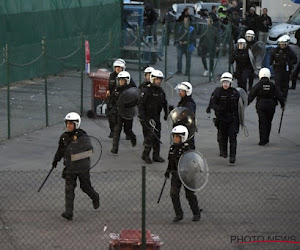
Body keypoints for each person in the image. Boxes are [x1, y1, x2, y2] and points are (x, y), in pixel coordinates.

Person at [52, 112, 100, 220]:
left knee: (85, 187)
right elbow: (60, 150)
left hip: (82, 168)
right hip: (70, 168)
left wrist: (75, 157)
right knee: (69, 189)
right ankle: (69, 212)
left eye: (71, 123)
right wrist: (55, 160)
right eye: (67, 123)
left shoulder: (83, 136)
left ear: (76, 124)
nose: (68, 125)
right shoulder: (64, 137)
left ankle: (95, 196)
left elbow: (89, 151)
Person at [164, 125, 201, 222]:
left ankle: (196, 213)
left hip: (187, 175)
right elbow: (170, 161)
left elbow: (193, 163)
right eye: (174, 136)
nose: (175, 139)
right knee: (173, 193)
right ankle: (179, 214)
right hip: (176, 174)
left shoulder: (187, 149)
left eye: (177, 137)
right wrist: (168, 171)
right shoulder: (172, 148)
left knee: (189, 195)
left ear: (183, 137)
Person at [248, 68, 285, 145]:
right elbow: (280, 95)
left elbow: (251, 95)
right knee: (268, 122)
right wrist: (282, 105)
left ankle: (262, 140)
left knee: (262, 122)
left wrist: (245, 104)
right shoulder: (272, 85)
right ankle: (267, 138)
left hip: (261, 105)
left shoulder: (258, 85)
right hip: (271, 105)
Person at [138, 70, 168, 164]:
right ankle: (145, 154)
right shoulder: (146, 91)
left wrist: (166, 113)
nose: (158, 81)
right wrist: (142, 117)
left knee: (157, 136)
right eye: (157, 79)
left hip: (156, 117)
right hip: (147, 117)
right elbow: (141, 104)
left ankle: (156, 155)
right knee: (150, 136)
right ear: (152, 79)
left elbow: (164, 103)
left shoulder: (161, 91)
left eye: (160, 79)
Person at [209, 72, 240, 163]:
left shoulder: (235, 92)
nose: (225, 84)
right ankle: (224, 152)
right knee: (223, 137)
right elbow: (212, 103)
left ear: (230, 83)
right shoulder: (217, 92)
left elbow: (241, 106)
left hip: (232, 119)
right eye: (224, 82)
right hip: (221, 119)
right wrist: (218, 109)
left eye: (227, 82)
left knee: (233, 137)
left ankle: (233, 156)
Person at [107, 59, 136, 139]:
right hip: (114, 99)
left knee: (128, 119)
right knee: (111, 117)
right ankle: (113, 131)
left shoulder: (127, 76)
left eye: (119, 67)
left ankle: (128, 132)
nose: (118, 69)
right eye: (116, 67)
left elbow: (134, 88)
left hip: (125, 101)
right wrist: (108, 91)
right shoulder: (112, 75)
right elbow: (110, 86)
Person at [110, 71, 137, 154]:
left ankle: (133, 137)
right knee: (117, 130)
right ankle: (115, 148)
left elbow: (134, 102)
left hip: (127, 113)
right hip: (118, 113)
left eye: (123, 80)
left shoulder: (130, 91)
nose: (121, 82)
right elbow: (112, 100)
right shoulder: (116, 89)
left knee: (127, 130)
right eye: (120, 80)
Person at [270, 35, 297, 101]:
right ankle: (277, 96)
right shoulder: (276, 50)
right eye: (280, 44)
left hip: (286, 70)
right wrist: (271, 63)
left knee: (284, 84)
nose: (281, 46)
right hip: (278, 68)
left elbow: (295, 59)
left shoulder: (289, 51)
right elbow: (272, 56)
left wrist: (289, 63)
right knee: (277, 83)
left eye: (283, 44)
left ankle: (284, 96)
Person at [175, 81, 196, 149]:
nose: (180, 92)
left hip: (187, 127)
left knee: (188, 144)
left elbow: (188, 115)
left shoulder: (189, 103)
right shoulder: (183, 101)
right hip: (183, 125)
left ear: (187, 92)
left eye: (182, 91)